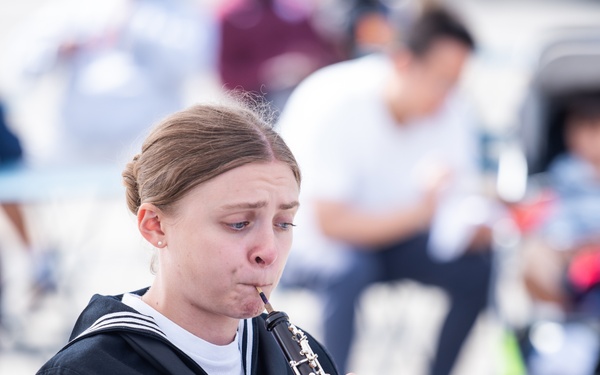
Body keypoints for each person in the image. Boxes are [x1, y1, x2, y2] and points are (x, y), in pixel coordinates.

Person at [36, 100, 344, 374]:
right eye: (238, 223)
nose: (269, 251)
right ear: (155, 225)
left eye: (284, 224)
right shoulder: (87, 368)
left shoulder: (296, 353)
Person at [277, 5, 493, 375]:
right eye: (442, 80)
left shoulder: (452, 108)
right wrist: (424, 212)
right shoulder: (337, 100)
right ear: (404, 62)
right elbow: (331, 224)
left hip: (392, 239)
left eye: (457, 82)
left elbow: (459, 199)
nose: (449, 94)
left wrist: (477, 225)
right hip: (305, 242)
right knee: (348, 268)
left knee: (478, 266)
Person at [521, 93, 600, 314]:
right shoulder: (564, 171)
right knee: (534, 255)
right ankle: (570, 315)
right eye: (577, 128)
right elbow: (550, 218)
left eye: (593, 128)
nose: (584, 138)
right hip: (570, 256)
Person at [216, 0, 341, 115]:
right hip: (261, 103)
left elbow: (325, 55)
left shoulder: (298, 11)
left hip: (307, 91)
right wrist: (268, 71)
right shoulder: (233, 17)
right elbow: (228, 77)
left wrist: (304, 63)